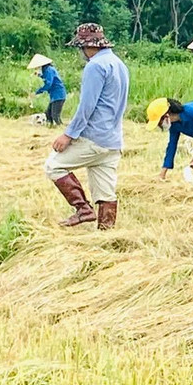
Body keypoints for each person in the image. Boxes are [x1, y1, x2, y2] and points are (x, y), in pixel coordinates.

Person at [43, 23, 130, 230]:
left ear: (86, 46)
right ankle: (106, 235)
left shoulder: (95, 66)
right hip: (113, 139)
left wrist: (68, 135)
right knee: (105, 193)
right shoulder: (119, 64)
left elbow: (86, 107)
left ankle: (83, 209)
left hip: (94, 137)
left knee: (53, 166)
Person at [29, 53, 67, 126]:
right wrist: (39, 75)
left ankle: (61, 129)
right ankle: (51, 128)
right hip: (55, 95)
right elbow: (46, 78)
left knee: (55, 116)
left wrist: (37, 92)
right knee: (48, 115)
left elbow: (48, 84)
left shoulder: (49, 70)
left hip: (58, 95)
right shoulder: (46, 70)